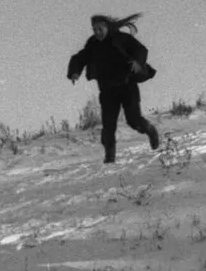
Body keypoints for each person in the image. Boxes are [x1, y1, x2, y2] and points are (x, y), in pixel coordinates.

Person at [67, 13, 161, 162]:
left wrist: (137, 61)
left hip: (127, 86)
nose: (97, 32)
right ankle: (109, 158)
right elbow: (80, 57)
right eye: (94, 29)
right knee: (108, 126)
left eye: (100, 28)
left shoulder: (120, 38)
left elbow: (141, 49)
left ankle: (150, 130)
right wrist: (75, 71)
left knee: (133, 120)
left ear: (107, 27)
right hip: (107, 90)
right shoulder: (93, 43)